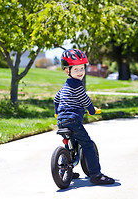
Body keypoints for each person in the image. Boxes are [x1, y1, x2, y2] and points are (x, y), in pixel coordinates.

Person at [54, 49, 115, 185]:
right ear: (67, 71)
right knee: (87, 145)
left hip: (61, 121)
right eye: (76, 69)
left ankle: (67, 168)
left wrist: (57, 112)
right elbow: (85, 100)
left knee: (71, 143)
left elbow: (56, 99)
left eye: (82, 68)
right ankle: (96, 175)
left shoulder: (64, 87)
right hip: (73, 120)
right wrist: (92, 111)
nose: (80, 72)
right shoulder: (78, 86)